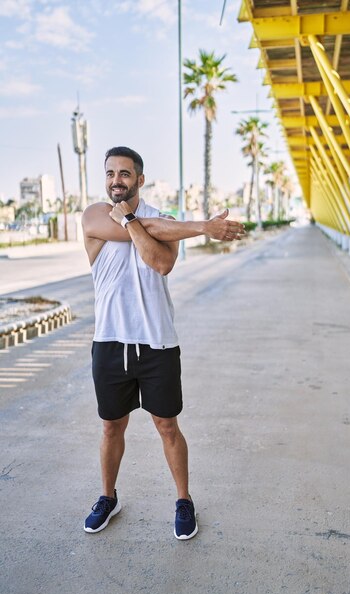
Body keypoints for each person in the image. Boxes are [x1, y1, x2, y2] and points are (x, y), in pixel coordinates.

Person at [81, 146, 244, 539]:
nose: (115, 180)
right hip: (109, 342)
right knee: (110, 427)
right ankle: (108, 497)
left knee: (167, 426)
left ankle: (184, 500)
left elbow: (161, 262)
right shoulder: (93, 216)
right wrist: (201, 226)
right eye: (110, 173)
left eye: (124, 173)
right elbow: (140, 233)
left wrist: (135, 221)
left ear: (140, 178)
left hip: (157, 343)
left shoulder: (163, 219)